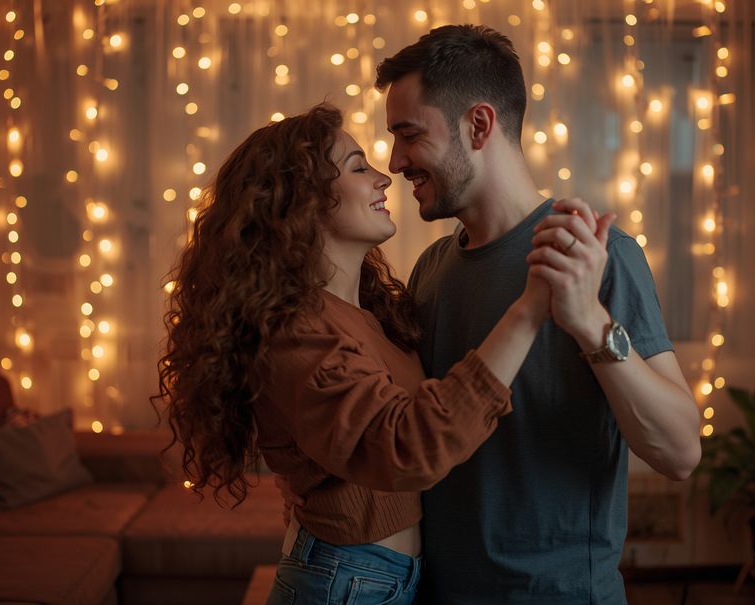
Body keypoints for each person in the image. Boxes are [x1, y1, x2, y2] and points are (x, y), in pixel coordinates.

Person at [279, 24, 702, 604]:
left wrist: (590, 323)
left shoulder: (594, 256)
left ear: (478, 126)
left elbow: (680, 451)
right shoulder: (429, 271)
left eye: (408, 135)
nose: (396, 162)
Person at [154, 103, 597, 604]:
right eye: (358, 167)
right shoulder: (294, 330)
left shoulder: (375, 312)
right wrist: (530, 307)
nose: (384, 178)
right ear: (300, 201)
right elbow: (405, 446)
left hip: (380, 577)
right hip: (344, 582)